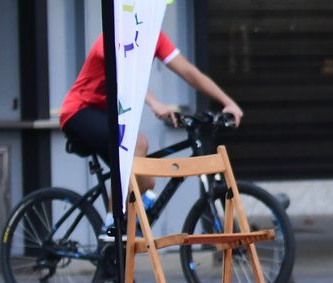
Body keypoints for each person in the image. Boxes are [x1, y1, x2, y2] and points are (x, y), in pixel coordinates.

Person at [59, 31, 243, 197]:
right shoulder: (116, 35)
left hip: (106, 115)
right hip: (79, 111)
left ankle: (129, 225)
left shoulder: (155, 37)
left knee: (145, 182)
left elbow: (189, 72)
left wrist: (228, 102)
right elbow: (122, 74)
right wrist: (155, 103)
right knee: (138, 143)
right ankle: (112, 228)